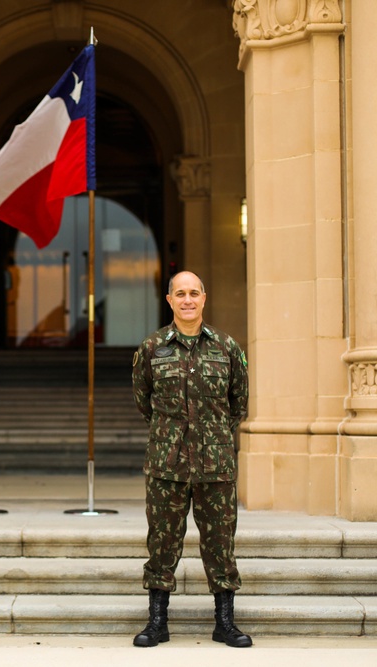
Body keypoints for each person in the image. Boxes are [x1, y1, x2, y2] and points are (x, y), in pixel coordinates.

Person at [130, 270, 252, 648]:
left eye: (194, 293)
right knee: (162, 543)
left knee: (220, 544)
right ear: (169, 300)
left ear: (204, 298)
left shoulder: (226, 347)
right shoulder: (151, 348)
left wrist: (210, 437)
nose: (187, 300)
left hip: (216, 465)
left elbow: (239, 403)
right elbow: (143, 401)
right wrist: (173, 436)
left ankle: (225, 622)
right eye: (180, 293)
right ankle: (157, 622)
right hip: (166, 464)